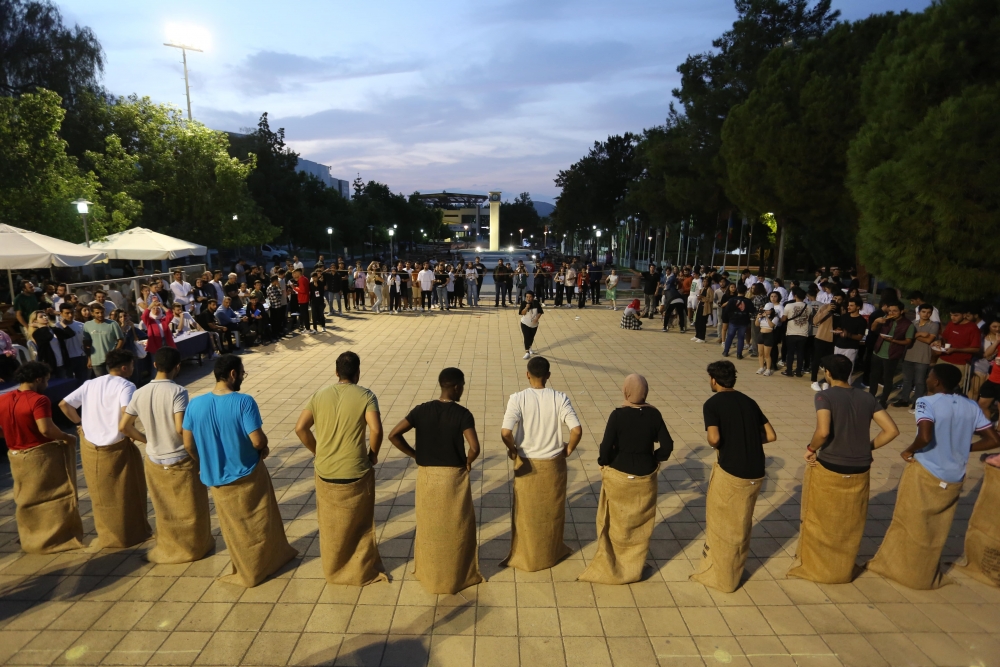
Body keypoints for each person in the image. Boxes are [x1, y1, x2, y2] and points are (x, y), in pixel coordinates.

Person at [867, 364, 1000, 589]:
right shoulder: (971, 406)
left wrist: (909, 450)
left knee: (909, 523)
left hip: (927, 471)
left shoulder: (926, 402)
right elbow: (994, 440)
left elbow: (925, 436)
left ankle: (901, 568)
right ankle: (925, 570)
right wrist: (964, 448)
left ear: (936, 382)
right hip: (954, 477)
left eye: (930, 375)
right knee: (936, 529)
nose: (927, 378)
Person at [182, 354, 298, 587]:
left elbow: (187, 443)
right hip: (248, 472)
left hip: (215, 476)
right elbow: (256, 440)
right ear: (233, 374)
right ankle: (264, 562)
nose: (242, 377)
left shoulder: (195, 403)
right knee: (260, 521)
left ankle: (244, 567)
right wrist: (263, 447)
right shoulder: (243, 401)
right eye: (242, 373)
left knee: (233, 526)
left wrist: (203, 461)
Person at [788, 355, 900, 583]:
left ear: (827, 373)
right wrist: (866, 447)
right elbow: (891, 431)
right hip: (860, 467)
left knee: (822, 517)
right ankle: (842, 566)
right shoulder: (867, 398)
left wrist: (811, 449)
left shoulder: (824, 396)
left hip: (831, 464)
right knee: (850, 521)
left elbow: (823, 432)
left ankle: (818, 564)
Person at [294, 351, 387, 586]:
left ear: (336, 372)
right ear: (357, 373)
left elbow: (300, 428)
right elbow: (376, 430)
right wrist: (372, 455)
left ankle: (335, 568)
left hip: (325, 472)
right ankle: (359, 569)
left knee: (330, 526)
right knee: (361, 524)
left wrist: (318, 451)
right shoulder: (366, 395)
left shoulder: (319, 395)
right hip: (356, 470)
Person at [388, 367, 483, 594]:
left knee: (429, 527)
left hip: (428, 477)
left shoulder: (421, 411)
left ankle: (429, 572)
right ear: (457, 387)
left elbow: (393, 435)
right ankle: (458, 573)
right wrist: (468, 462)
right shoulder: (462, 414)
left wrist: (414, 454)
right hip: (453, 478)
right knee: (457, 526)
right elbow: (474, 447)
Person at [119, 347, 213, 564]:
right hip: (179, 457)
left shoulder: (139, 392)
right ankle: (193, 547)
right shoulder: (178, 391)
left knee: (164, 509)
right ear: (178, 367)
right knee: (190, 508)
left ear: (154, 366)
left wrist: (148, 440)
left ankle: (169, 546)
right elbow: (181, 428)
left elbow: (124, 426)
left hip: (154, 458)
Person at [691, 360, 777, 592]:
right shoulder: (749, 401)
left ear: (714, 380)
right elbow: (770, 434)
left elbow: (714, 439)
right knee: (741, 523)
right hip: (756, 472)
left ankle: (722, 575)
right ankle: (735, 567)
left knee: (723, 524)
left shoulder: (712, 404)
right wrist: (746, 438)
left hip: (732, 471)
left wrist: (727, 441)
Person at [579, 374, 671, 585]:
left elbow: (605, 446)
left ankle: (613, 564)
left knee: (615, 522)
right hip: (644, 476)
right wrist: (655, 459)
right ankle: (633, 566)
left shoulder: (618, 415)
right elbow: (667, 446)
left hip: (619, 476)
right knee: (638, 525)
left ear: (626, 391)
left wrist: (604, 461)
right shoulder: (654, 415)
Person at [60, 348, 151, 549]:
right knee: (126, 492)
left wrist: (80, 424)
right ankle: (129, 533)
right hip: (116, 446)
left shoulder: (90, 383)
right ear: (125, 367)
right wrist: (144, 439)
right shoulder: (126, 385)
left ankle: (109, 535)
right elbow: (126, 418)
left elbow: (64, 405)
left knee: (101, 496)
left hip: (91, 447)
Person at [499, 356, 582, 572]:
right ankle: (550, 553)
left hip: (526, 463)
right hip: (553, 465)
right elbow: (576, 430)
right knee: (551, 512)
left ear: (527, 374)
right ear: (548, 376)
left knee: (525, 512)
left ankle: (525, 554)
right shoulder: (560, 398)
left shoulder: (518, 399)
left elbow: (506, 432)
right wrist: (569, 449)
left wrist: (513, 449)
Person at [0, 361, 84, 554]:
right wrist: (66, 437)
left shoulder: (4, 399)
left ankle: (30, 536)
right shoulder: (39, 400)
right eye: (46, 380)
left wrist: (13, 434)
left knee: (25, 499)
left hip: (15, 455)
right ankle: (52, 537)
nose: (47, 383)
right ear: (38, 379)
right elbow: (45, 429)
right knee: (51, 497)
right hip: (39, 455)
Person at [894, 304, 940, 411]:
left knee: (920, 381)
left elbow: (929, 340)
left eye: (928, 312)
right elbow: (906, 337)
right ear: (919, 312)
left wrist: (913, 335)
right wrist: (919, 334)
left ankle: (917, 402)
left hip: (923, 357)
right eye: (923, 312)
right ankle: (904, 399)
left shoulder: (934, 325)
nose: (926, 314)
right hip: (908, 354)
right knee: (906, 380)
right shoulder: (912, 323)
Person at [868, 302, 914, 408]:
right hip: (878, 351)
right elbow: (873, 329)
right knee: (874, 376)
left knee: (887, 379)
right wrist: (876, 321)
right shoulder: (886, 319)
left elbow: (908, 341)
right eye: (890, 311)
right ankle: (870, 397)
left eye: (895, 311)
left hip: (892, 355)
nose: (891, 313)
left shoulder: (908, 324)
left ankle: (883, 401)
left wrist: (893, 340)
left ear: (901, 311)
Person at [934, 307, 982, 389]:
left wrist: (955, 349)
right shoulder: (951, 324)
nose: (953, 318)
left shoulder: (973, 328)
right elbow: (945, 338)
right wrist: (939, 342)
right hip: (943, 359)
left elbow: (976, 348)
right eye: (951, 315)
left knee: (956, 387)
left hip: (960, 363)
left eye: (956, 315)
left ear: (964, 315)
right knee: (937, 383)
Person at [83, 300, 125, 377]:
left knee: (115, 380)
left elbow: (121, 339)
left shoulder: (112, 324)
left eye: (102, 312)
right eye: (97, 313)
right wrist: (89, 359)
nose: (100, 315)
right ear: (92, 313)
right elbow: (87, 343)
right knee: (102, 383)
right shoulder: (87, 325)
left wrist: (115, 353)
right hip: (96, 360)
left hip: (111, 360)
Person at [27, 310, 73, 379]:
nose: (45, 317)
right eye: (41, 317)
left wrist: (62, 324)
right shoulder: (37, 333)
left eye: (45, 315)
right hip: (49, 365)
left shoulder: (54, 329)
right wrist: (40, 326)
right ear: (35, 321)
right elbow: (48, 336)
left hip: (62, 363)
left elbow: (70, 334)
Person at [723, 284, 755, 360]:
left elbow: (726, 310)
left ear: (737, 290)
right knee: (741, 338)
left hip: (733, 320)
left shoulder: (732, 300)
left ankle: (726, 351)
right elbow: (752, 310)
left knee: (730, 336)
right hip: (743, 321)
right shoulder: (748, 301)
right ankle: (739, 354)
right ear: (745, 291)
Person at [519, 290, 543, 360]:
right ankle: (527, 352)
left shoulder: (536, 303)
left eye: (530, 297)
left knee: (531, 337)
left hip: (534, 324)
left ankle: (530, 347)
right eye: (527, 297)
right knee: (526, 337)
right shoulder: (523, 303)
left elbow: (540, 312)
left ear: (533, 297)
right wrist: (526, 307)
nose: (528, 298)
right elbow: (522, 313)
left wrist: (537, 318)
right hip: (525, 323)